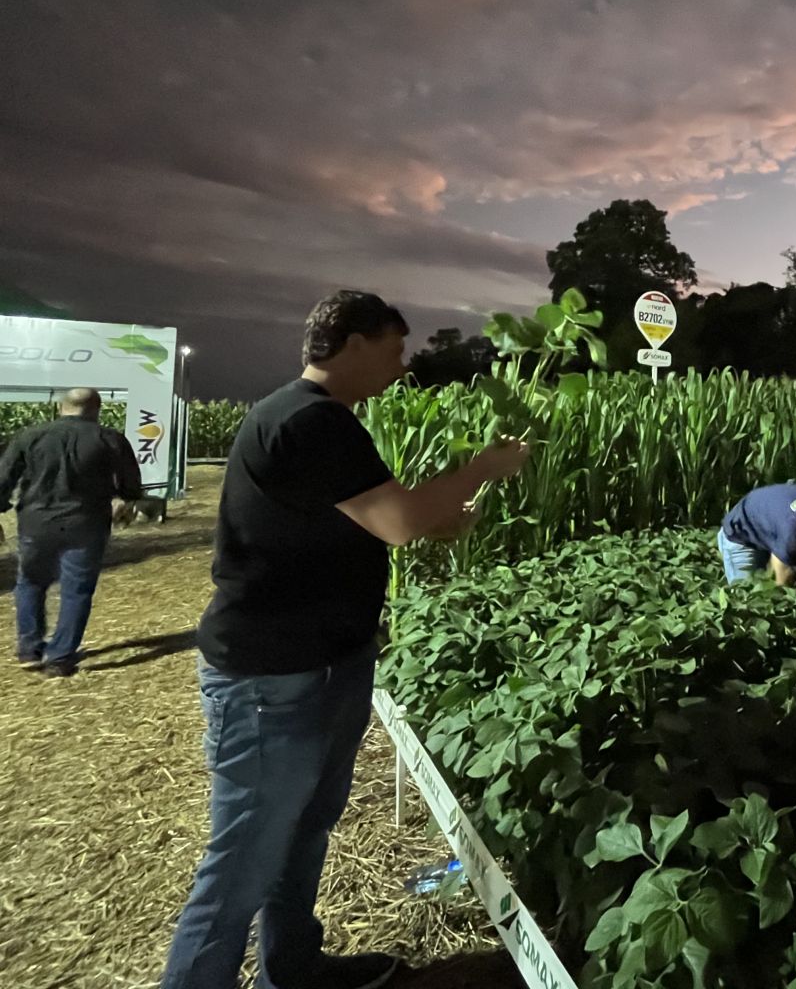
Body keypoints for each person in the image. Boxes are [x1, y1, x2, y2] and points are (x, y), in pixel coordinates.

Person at [160, 291, 530, 989]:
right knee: (244, 858)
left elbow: (367, 515)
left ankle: (293, 968)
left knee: (301, 832)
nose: (401, 367)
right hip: (275, 677)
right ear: (354, 344)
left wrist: (434, 519)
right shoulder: (311, 420)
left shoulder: (304, 416)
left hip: (317, 664)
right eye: (394, 350)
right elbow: (397, 522)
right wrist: (485, 466)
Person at [0, 387, 144, 676]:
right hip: (86, 523)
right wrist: (123, 499)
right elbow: (131, 484)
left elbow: (4, 478)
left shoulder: (30, 436)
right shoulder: (110, 438)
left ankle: (29, 649)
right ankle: (60, 657)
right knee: (77, 590)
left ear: (60, 407)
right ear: (97, 409)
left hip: (36, 523)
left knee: (30, 582)